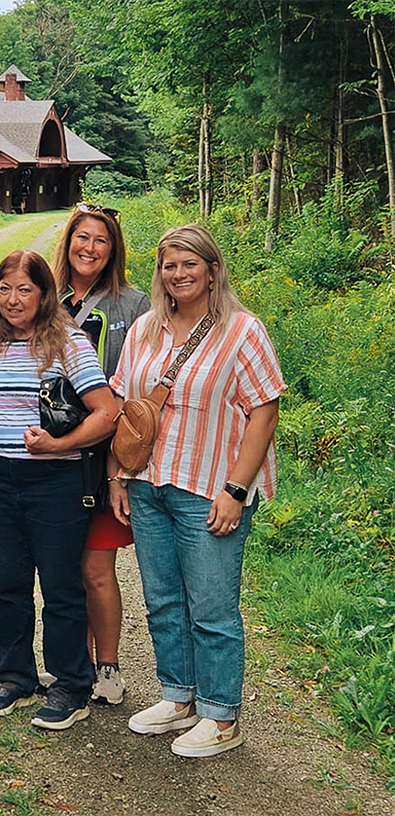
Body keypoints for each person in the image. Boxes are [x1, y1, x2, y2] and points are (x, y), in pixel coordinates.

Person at [110, 225, 284, 757]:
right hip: (148, 486)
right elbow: (126, 408)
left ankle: (221, 716)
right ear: (159, 273)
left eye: (190, 264)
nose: (179, 274)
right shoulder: (144, 329)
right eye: (169, 265)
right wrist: (118, 475)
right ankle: (178, 696)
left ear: (212, 270)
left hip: (209, 488)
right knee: (162, 600)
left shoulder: (242, 331)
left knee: (211, 607)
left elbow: (264, 410)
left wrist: (236, 489)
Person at [0, 249, 116, 731]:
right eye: (5, 288)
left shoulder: (68, 344)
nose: (13, 298)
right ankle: (16, 677)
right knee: (9, 582)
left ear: (45, 294)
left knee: (60, 586)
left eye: (24, 289)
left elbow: (107, 412)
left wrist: (57, 444)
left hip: (55, 482)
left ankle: (71, 685)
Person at [51, 202, 150, 704]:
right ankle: (75, 662)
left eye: (101, 241)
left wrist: (120, 467)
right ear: (68, 242)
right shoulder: (49, 300)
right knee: (63, 566)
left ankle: (107, 665)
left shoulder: (132, 305)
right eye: (82, 238)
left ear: (113, 251)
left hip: (108, 457)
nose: (89, 248)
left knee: (95, 566)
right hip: (56, 454)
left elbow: (141, 384)